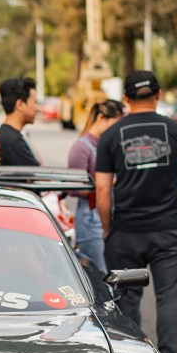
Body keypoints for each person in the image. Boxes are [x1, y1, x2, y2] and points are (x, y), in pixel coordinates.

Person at [95, 70, 177, 353]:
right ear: (159, 94)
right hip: (171, 230)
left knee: (126, 299)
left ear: (125, 98)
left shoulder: (110, 136)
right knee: (170, 298)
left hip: (126, 230)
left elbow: (102, 189)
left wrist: (107, 228)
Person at [67, 99, 124, 273]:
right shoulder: (81, 147)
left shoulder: (106, 145)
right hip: (90, 218)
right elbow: (73, 188)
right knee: (99, 274)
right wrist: (104, 184)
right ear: (101, 118)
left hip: (107, 214)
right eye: (116, 124)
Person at [0, 77, 41, 166]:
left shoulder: (6, 134)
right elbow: (36, 173)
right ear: (20, 104)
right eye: (35, 102)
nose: (38, 108)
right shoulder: (12, 141)